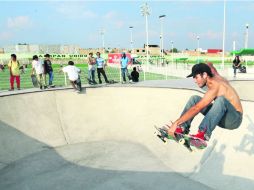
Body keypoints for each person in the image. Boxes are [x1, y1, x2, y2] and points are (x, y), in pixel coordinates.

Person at [166, 63, 243, 143]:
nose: (195, 81)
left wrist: (176, 122)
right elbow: (212, 69)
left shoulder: (215, 86)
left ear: (205, 75)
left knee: (221, 100)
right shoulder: (215, 76)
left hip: (234, 119)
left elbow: (197, 108)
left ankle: (203, 134)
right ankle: (182, 128)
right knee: (194, 99)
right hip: (221, 116)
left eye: (196, 77)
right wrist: (208, 64)